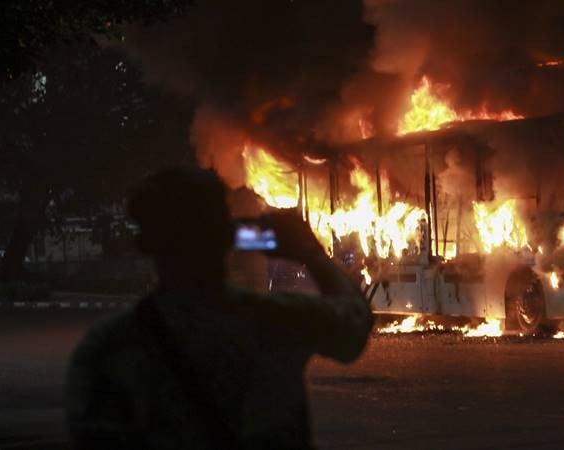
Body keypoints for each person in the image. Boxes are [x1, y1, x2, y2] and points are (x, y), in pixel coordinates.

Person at [66, 167, 372, 449]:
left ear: (145, 242)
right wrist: (311, 253)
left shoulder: (110, 343)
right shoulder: (275, 319)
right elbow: (354, 325)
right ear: (229, 234)